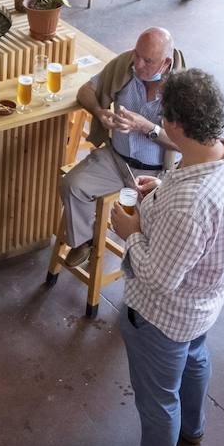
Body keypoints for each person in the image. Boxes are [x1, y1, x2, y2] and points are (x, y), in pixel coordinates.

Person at [97, 69, 224, 446]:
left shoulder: (191, 203)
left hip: (161, 318)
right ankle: (194, 428)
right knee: (195, 358)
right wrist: (161, 190)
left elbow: (160, 276)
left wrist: (128, 229)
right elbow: (189, 207)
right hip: (206, 303)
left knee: (157, 400)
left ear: (174, 126)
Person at [59, 28, 179, 270]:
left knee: (161, 224)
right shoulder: (124, 67)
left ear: (166, 63)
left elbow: (184, 143)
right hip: (116, 159)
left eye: (148, 60)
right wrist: (100, 113)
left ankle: (145, 277)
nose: (138, 64)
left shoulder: (181, 87)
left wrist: (147, 127)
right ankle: (85, 239)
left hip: (158, 173)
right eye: (137, 54)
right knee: (71, 185)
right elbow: (85, 91)